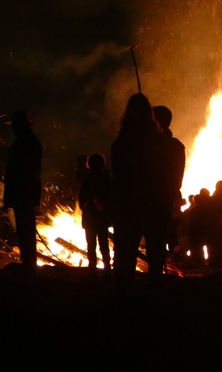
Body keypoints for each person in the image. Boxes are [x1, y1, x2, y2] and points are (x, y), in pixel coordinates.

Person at [110, 93, 173, 296]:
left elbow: (118, 177)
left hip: (130, 206)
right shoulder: (157, 143)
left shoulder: (121, 143)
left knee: (125, 253)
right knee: (153, 253)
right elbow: (165, 176)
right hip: (150, 205)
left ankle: (123, 292)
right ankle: (153, 292)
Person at [4, 110, 42, 276]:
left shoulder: (26, 142)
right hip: (24, 191)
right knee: (25, 229)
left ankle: (29, 266)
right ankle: (28, 263)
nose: (13, 129)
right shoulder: (27, 141)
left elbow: (25, 171)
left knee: (26, 229)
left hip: (23, 192)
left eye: (15, 126)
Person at [152, 105, 186, 257]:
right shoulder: (177, 146)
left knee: (156, 240)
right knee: (167, 238)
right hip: (170, 198)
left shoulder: (151, 145)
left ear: (156, 122)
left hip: (155, 200)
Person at [78, 152, 113, 274]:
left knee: (91, 245)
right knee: (103, 244)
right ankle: (107, 269)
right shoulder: (107, 179)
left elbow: (81, 201)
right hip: (101, 218)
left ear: (89, 165)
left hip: (90, 218)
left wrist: (88, 208)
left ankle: (92, 269)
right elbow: (111, 198)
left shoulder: (87, 180)